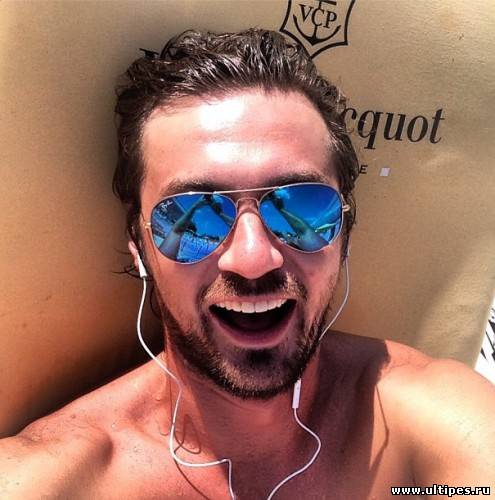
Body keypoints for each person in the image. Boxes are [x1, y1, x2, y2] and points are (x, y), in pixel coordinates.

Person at [1, 29, 494, 499]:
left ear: (345, 231)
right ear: (139, 243)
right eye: (193, 214)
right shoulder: (61, 478)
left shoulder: (426, 428)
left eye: (303, 208)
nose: (254, 259)